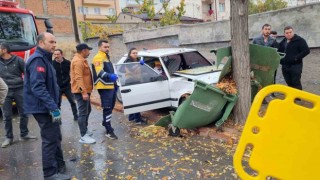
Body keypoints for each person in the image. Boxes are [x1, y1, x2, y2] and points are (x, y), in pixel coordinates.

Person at [24, 32, 70, 180]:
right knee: (50, 139)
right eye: (51, 42)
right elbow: (38, 87)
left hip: (48, 106)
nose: (54, 45)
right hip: (43, 108)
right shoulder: (37, 60)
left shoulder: (46, 59)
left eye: (55, 42)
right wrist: (53, 107)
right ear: (41, 43)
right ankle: (50, 174)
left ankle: (59, 165)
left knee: (56, 136)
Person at [0, 42, 37, 148]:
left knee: (24, 113)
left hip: (19, 89)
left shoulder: (18, 60)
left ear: (4, 50)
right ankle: (9, 137)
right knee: (6, 116)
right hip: (4, 91)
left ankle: (24, 134)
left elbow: (27, 73)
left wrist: (27, 88)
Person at [92, 40, 119, 139]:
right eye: (105, 47)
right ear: (99, 47)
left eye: (108, 47)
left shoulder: (106, 56)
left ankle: (105, 122)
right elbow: (99, 72)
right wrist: (110, 76)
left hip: (111, 85)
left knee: (111, 106)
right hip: (104, 86)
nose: (107, 48)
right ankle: (108, 130)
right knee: (107, 108)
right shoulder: (98, 57)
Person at [70, 43, 95, 144]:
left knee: (87, 110)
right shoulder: (77, 61)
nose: (89, 52)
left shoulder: (81, 60)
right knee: (83, 112)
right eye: (88, 50)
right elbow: (78, 77)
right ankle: (83, 135)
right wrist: (83, 92)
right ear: (84, 50)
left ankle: (85, 129)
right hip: (81, 92)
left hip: (85, 91)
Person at [278, 26, 310, 90]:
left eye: (290, 32)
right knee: (289, 82)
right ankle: (292, 97)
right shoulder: (282, 42)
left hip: (296, 65)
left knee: (296, 82)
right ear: (284, 34)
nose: (289, 34)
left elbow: (306, 50)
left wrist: (296, 58)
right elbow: (279, 52)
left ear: (293, 32)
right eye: (287, 33)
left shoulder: (300, 40)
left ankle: (298, 98)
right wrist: (281, 61)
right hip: (285, 66)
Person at [52, 49, 78, 121]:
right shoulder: (52, 64)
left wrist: (72, 82)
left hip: (67, 86)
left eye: (58, 54)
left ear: (62, 54)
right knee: (57, 104)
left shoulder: (67, 63)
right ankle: (58, 119)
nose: (56, 56)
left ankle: (76, 116)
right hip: (57, 87)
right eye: (55, 54)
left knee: (72, 101)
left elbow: (73, 73)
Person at [124, 48, 147, 125]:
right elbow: (131, 68)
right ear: (130, 54)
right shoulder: (128, 61)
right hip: (131, 82)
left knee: (133, 101)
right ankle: (138, 120)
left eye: (136, 53)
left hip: (137, 81)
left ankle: (131, 117)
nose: (135, 54)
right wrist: (139, 64)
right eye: (133, 53)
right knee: (136, 101)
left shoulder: (137, 60)